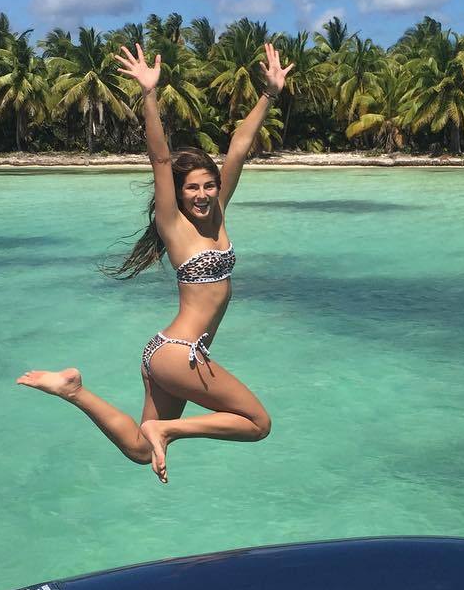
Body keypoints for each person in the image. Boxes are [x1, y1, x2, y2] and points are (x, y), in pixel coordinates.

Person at [16, 41, 291, 483]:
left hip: (162, 353)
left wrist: (269, 94)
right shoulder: (174, 226)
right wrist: (148, 93)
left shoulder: (218, 213)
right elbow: (160, 157)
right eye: (192, 188)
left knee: (142, 452)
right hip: (180, 354)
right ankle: (167, 429)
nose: (202, 194)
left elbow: (239, 146)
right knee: (258, 423)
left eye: (209, 185)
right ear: (177, 194)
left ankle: (73, 390)